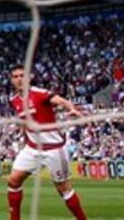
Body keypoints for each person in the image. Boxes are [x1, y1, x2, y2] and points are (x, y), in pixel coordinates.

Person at [6, 65, 88, 220]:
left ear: (29, 78)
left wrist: (71, 108)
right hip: (32, 148)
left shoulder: (39, 93)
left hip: (53, 149)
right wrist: (25, 141)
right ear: (11, 80)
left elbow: (60, 100)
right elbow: (25, 123)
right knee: (13, 180)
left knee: (63, 187)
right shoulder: (14, 100)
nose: (19, 79)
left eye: (22, 75)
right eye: (15, 76)